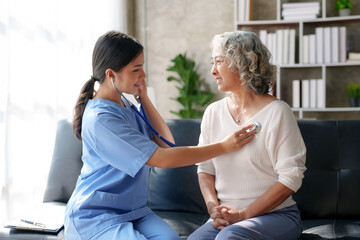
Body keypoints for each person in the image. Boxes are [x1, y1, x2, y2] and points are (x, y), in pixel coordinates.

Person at [64, 31, 258, 240]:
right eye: (136, 69)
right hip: (97, 215)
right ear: (111, 75)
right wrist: (223, 147)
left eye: (143, 67)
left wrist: (144, 98)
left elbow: (168, 144)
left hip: (133, 211)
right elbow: (163, 159)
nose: (143, 76)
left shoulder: (125, 104)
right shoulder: (102, 119)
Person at [188, 30, 307, 240]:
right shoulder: (213, 113)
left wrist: (243, 215)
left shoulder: (278, 112)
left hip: (276, 216)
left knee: (230, 237)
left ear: (241, 63)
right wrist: (213, 209)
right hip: (227, 217)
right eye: (212, 63)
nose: (213, 71)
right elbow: (205, 168)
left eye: (219, 62)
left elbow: (291, 178)